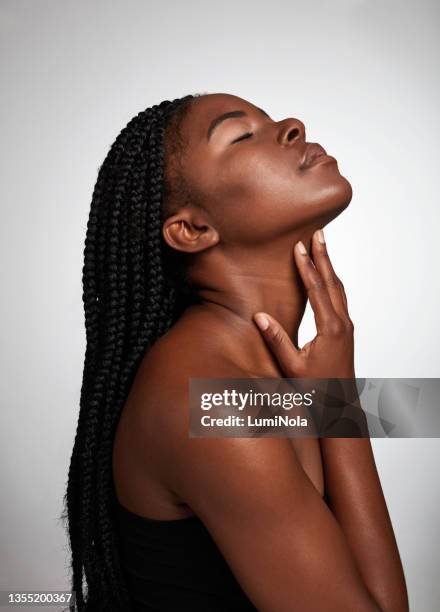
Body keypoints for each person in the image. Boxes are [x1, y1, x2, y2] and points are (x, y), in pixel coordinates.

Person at [62, 92, 409, 611]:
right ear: (193, 229)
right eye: (241, 135)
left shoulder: (258, 379)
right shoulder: (208, 397)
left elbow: (415, 410)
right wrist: (339, 400)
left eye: (272, 120)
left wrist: (337, 397)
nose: (293, 125)